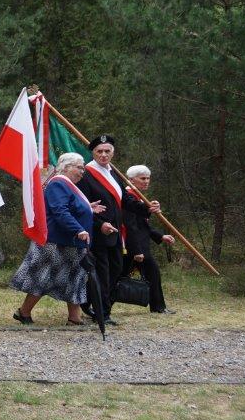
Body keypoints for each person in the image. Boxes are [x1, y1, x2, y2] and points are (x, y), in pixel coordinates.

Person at [11, 152, 105, 325]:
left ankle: (74, 317)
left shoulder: (68, 185)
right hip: (55, 243)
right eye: (79, 167)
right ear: (66, 167)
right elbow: (60, 211)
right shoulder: (58, 183)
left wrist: (88, 208)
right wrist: (78, 229)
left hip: (73, 243)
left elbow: (71, 206)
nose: (82, 171)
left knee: (75, 278)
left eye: (83, 167)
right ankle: (23, 312)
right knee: (41, 278)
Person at [76, 135, 158, 325]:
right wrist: (99, 224)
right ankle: (102, 314)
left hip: (115, 235)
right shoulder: (86, 175)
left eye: (107, 151)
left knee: (116, 271)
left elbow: (125, 201)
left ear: (113, 152)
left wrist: (147, 208)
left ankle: (92, 304)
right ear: (93, 153)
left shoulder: (113, 173)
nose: (104, 155)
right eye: (99, 151)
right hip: (97, 233)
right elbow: (83, 206)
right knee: (103, 273)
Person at [122, 165, 176, 314]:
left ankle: (158, 307)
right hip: (133, 246)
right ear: (131, 180)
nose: (146, 181)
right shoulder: (129, 198)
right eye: (142, 178)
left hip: (139, 245)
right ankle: (96, 306)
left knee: (118, 277)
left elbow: (142, 225)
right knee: (120, 277)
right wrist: (136, 251)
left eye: (148, 178)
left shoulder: (138, 197)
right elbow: (130, 227)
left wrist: (160, 236)